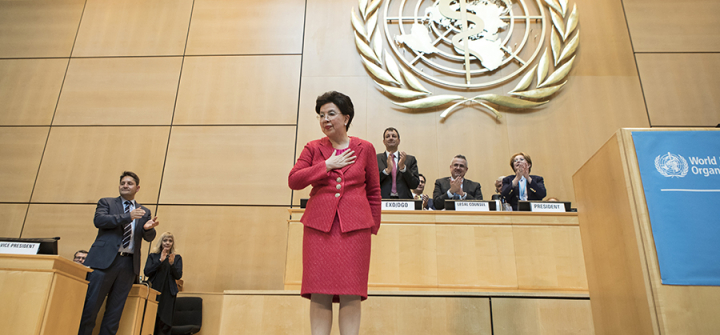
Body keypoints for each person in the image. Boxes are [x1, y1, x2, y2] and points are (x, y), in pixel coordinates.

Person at [288, 91, 381, 335]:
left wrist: (372, 226)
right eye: (321, 115)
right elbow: (294, 180)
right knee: (319, 290)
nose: (325, 119)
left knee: (352, 291)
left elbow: (373, 191)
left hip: (355, 229)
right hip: (319, 227)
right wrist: (326, 165)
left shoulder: (366, 148)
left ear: (346, 118)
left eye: (331, 114)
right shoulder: (313, 148)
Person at [78, 171, 159, 335]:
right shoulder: (106, 203)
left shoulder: (144, 211)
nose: (125, 185)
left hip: (128, 265)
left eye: (129, 183)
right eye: (123, 183)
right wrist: (127, 216)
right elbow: (100, 221)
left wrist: (148, 229)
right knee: (91, 308)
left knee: (115, 313)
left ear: (137, 188)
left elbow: (148, 238)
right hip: (103, 263)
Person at [144, 232, 183, 335]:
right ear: (161, 242)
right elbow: (147, 272)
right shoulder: (153, 256)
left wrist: (171, 264)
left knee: (165, 321)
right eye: (165, 240)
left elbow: (178, 275)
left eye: (170, 241)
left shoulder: (177, 258)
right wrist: (160, 261)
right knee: (151, 318)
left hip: (168, 293)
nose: (167, 243)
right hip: (154, 290)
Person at [376, 127, 420, 199]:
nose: (391, 138)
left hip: (404, 202)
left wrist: (403, 168)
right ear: (384, 141)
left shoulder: (410, 159)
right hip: (382, 200)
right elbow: (371, 182)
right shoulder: (376, 159)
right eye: (388, 136)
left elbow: (414, 184)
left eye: (394, 136)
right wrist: (386, 171)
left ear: (399, 141)